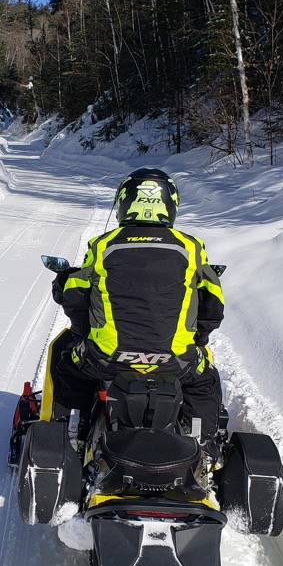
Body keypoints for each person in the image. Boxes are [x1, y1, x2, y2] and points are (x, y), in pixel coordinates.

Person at [41, 168, 225, 440]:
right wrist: (198, 338)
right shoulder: (192, 247)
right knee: (204, 380)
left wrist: (82, 331)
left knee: (69, 366)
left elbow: (75, 294)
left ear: (124, 203)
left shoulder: (103, 245)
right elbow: (213, 303)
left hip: (106, 359)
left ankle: (72, 435)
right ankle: (205, 445)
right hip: (174, 361)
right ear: (170, 204)